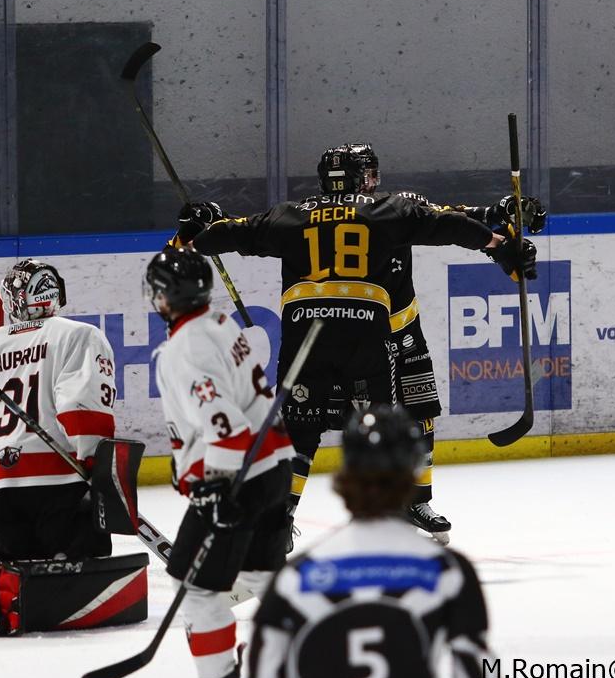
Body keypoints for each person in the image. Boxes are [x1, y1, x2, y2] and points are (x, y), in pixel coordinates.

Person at [175, 143, 537, 547]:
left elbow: (234, 233)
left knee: (305, 423)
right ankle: (384, 509)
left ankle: (294, 515)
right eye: (370, 173)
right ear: (362, 176)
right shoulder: (390, 208)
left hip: (332, 330)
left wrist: (197, 230)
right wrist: (499, 241)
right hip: (372, 330)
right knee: (387, 423)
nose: (374, 180)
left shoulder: (295, 213)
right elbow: (448, 222)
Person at [341, 143, 549, 543]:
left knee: (421, 411)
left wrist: (499, 213)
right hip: (361, 335)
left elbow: (447, 216)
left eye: (372, 173)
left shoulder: (396, 206)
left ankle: (417, 500)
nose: (371, 181)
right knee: (365, 422)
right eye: (364, 174)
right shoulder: (325, 217)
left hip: (406, 328)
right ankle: (369, 505)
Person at [246, 404, 492, 678]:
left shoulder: (295, 577)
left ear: (346, 473)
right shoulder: (450, 571)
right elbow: (480, 676)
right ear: (412, 475)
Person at [0, 258, 117, 633]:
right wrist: (95, 463)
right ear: (56, 293)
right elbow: (82, 406)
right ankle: (39, 587)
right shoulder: (79, 335)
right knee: (85, 558)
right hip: (59, 485)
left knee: (18, 559)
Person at [146, 247, 294, 678]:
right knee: (262, 578)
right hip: (273, 468)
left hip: (235, 481)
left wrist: (214, 485)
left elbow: (227, 431)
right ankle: (298, 663)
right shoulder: (221, 324)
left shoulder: (184, 348)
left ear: (166, 296)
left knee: (196, 589)